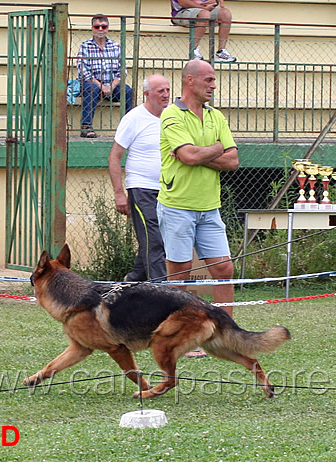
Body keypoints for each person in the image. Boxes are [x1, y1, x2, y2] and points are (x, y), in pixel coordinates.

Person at [157, 59, 239, 319]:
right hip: (177, 206)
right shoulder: (171, 114)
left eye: (214, 80)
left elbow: (232, 160)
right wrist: (215, 149)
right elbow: (190, 156)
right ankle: (178, 335)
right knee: (180, 275)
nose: (213, 85)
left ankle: (227, 333)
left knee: (224, 269)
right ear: (189, 80)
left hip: (210, 208)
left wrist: (201, 154)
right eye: (209, 79)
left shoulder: (216, 116)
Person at [108, 74, 171, 282]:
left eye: (168, 90)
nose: (166, 95)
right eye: (160, 91)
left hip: (168, 191)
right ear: (147, 94)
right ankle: (161, 292)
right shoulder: (134, 118)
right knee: (153, 241)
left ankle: (131, 282)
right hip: (141, 189)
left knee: (156, 241)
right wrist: (119, 193)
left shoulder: (173, 117)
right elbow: (115, 157)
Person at [77, 15, 133, 138]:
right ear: (92, 28)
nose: (100, 29)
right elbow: (83, 71)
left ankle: (128, 127)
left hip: (111, 85)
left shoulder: (116, 46)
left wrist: (111, 86)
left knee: (127, 91)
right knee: (91, 88)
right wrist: (101, 86)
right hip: (93, 84)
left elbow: (122, 70)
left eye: (104, 26)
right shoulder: (85, 46)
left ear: (108, 28)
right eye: (97, 26)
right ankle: (86, 127)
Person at [170, 0, 237, 63]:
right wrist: (203, 6)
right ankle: (193, 52)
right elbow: (183, 2)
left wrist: (214, 2)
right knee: (205, 14)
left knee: (225, 13)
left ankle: (221, 52)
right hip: (182, 12)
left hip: (204, 9)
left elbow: (214, 2)